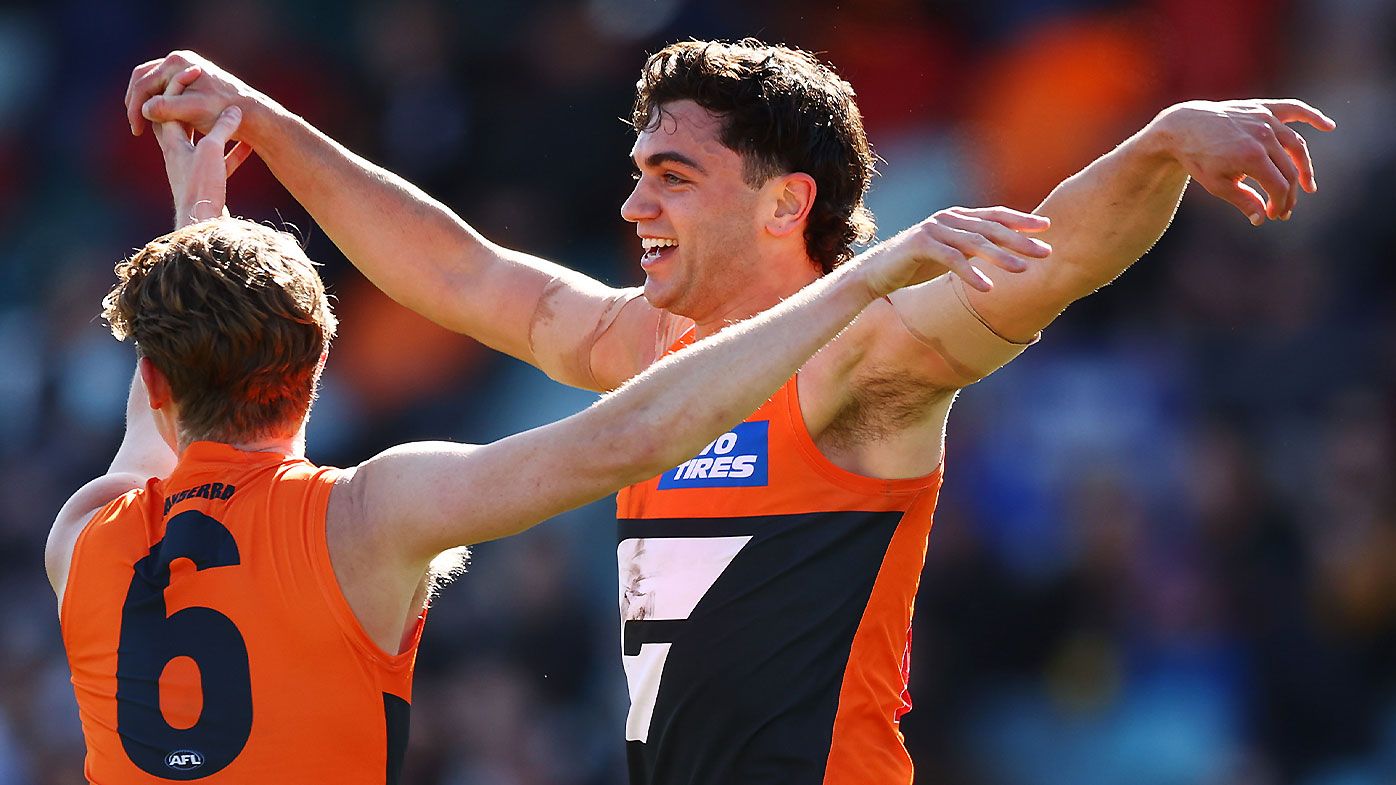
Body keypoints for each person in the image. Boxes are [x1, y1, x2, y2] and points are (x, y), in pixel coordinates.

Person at [125, 40, 1335, 784]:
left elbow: (1061, 249)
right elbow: (457, 272)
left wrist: (1165, 145)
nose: (635, 200)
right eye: (639, 166)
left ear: (782, 204)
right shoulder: (645, 345)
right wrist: (268, 126)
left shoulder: (871, 349)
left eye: (675, 174)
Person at [51, 64, 1043, 783]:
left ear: (154, 377)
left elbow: (169, 387)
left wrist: (200, 204)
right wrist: (862, 282)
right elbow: (624, 436)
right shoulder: (369, 510)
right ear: (315, 370)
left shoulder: (85, 534)